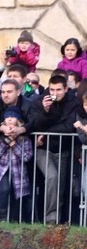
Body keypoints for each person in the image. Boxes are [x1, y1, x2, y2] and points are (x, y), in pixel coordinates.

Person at [33, 74, 80, 225]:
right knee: (52, 177)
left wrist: (45, 134)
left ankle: (56, 219)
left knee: (59, 186)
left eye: (59, 90)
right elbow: (36, 125)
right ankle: (50, 219)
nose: (55, 93)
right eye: (52, 89)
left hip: (62, 150)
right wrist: (45, 110)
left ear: (66, 89)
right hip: (43, 150)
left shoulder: (73, 102)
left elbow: (68, 126)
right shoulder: (41, 100)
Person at [0, 107, 34, 222]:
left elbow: (27, 156)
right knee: (4, 189)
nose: (9, 119)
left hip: (18, 170)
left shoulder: (24, 138)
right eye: (7, 117)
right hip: (1, 169)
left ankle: (16, 218)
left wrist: (14, 144)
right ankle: (2, 217)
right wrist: (6, 141)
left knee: (18, 194)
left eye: (12, 117)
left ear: (18, 120)